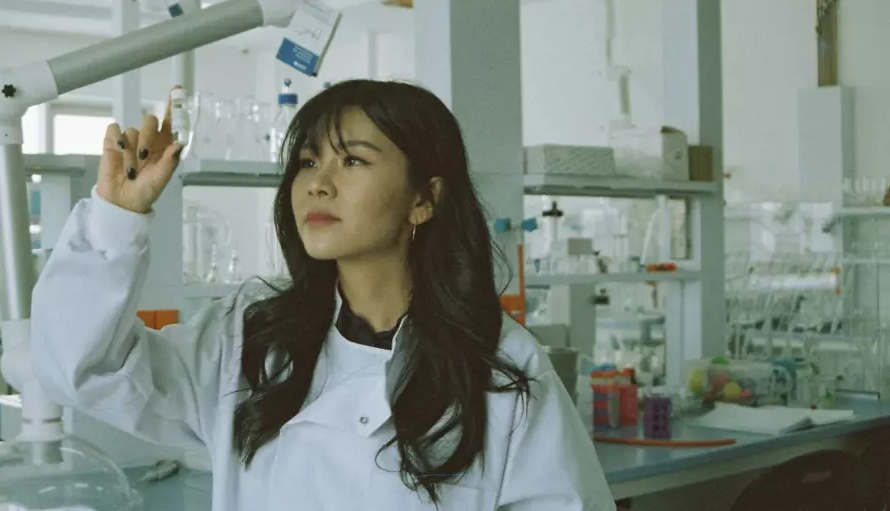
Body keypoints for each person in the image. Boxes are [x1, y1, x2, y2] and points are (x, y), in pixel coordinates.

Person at [31, 80, 615, 510]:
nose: (318, 180)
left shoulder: (501, 368)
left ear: (424, 199)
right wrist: (116, 219)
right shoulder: (251, 340)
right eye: (308, 160)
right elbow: (80, 368)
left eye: (353, 160)